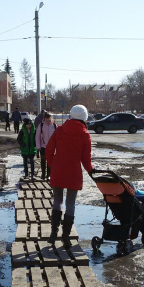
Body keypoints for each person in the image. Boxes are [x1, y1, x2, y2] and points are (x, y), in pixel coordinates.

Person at [46, 104, 94, 247]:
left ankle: (53, 233)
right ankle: (66, 237)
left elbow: (48, 150)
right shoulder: (85, 135)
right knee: (70, 203)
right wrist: (92, 172)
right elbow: (86, 160)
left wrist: (52, 165)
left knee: (57, 201)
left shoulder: (60, 130)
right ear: (84, 118)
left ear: (70, 116)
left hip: (58, 170)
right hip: (73, 172)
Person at [35, 111, 57, 179]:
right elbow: (37, 136)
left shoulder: (54, 125)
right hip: (43, 146)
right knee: (43, 160)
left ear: (51, 119)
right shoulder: (41, 125)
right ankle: (43, 174)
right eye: (46, 120)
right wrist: (38, 146)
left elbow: (57, 137)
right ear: (44, 119)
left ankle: (49, 175)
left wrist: (57, 147)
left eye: (49, 120)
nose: (48, 122)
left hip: (51, 146)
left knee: (50, 161)